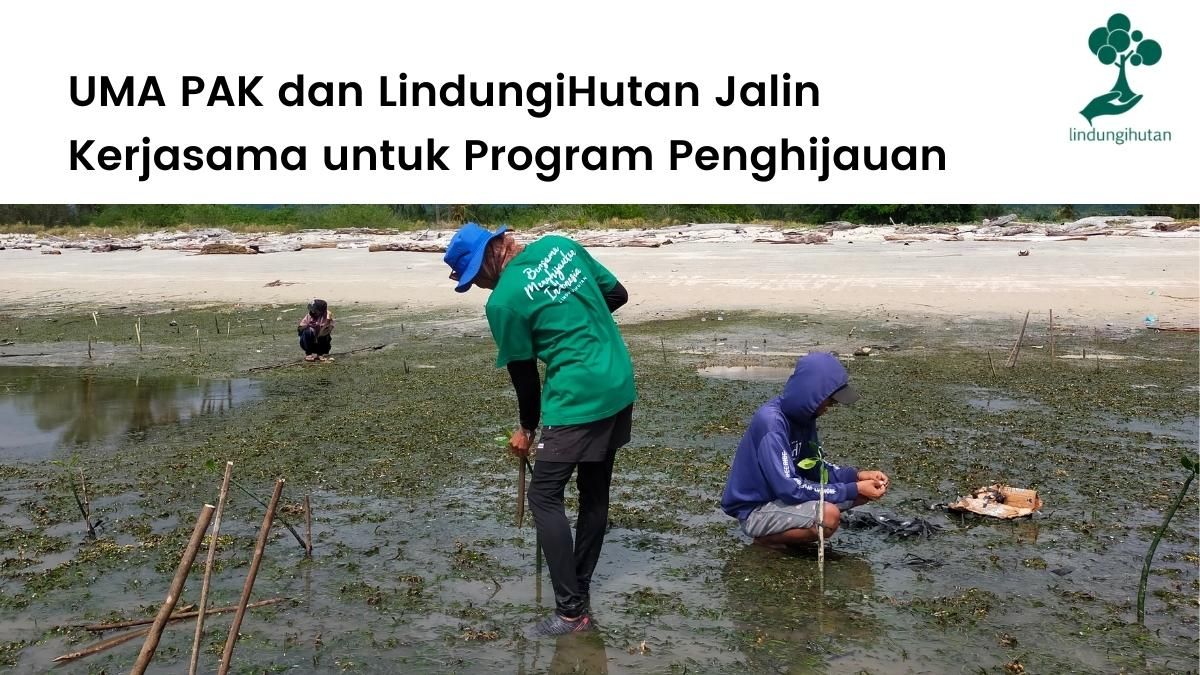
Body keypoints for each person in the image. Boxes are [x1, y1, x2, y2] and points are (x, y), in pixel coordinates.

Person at [443, 222, 635, 637]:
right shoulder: (559, 246)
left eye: (476, 276)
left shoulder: (504, 303)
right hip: (619, 380)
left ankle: (570, 613)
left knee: (544, 495)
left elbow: (525, 378)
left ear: (492, 257)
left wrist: (526, 430)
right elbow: (617, 294)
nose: (478, 285)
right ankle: (578, 593)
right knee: (594, 492)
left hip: (578, 396)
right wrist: (577, 327)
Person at [720, 352, 890, 549]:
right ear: (814, 395)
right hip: (756, 510)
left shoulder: (805, 418)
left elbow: (816, 468)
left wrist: (858, 476)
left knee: (862, 493)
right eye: (831, 400)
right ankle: (766, 540)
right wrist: (852, 488)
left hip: (782, 500)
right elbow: (790, 489)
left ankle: (792, 529)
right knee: (829, 516)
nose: (830, 407)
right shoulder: (772, 423)